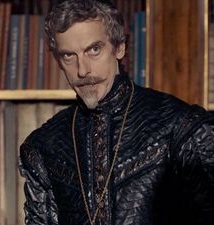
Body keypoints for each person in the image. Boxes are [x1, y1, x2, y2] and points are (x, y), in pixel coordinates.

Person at [19, 0, 214, 224]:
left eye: (94, 50)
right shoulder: (44, 146)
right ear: (58, 61)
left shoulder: (181, 127)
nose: (83, 71)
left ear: (119, 48)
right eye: (69, 56)